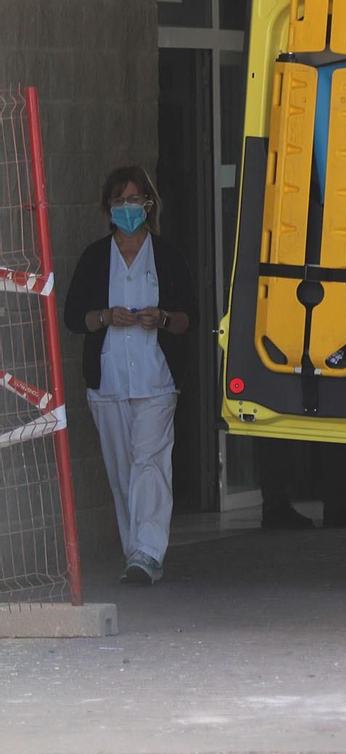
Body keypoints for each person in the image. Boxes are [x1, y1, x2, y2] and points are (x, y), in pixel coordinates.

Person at [64, 166, 198, 585]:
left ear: (148, 205)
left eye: (135, 200)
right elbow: (73, 318)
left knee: (149, 465)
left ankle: (149, 552)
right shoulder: (93, 258)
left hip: (156, 382)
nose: (127, 208)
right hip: (109, 384)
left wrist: (161, 318)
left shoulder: (168, 256)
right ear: (108, 207)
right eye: (120, 200)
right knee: (123, 472)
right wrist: (104, 316)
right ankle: (135, 553)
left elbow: (187, 320)